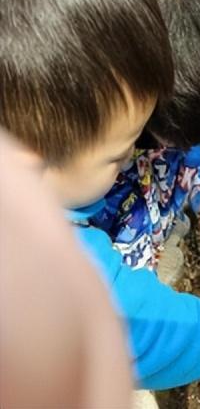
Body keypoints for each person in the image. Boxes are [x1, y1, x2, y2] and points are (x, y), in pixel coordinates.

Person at [0, 0, 200, 390]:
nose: (126, 160)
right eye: (121, 153)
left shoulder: (92, 132)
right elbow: (127, 321)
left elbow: (193, 153)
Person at [92, 0, 200, 272]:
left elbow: (195, 149)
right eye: (172, 143)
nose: (182, 148)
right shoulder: (109, 156)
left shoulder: (186, 100)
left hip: (159, 230)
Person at [0, 132, 132, 409]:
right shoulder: (76, 264)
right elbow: (138, 322)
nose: (131, 157)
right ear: (35, 154)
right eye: (118, 156)